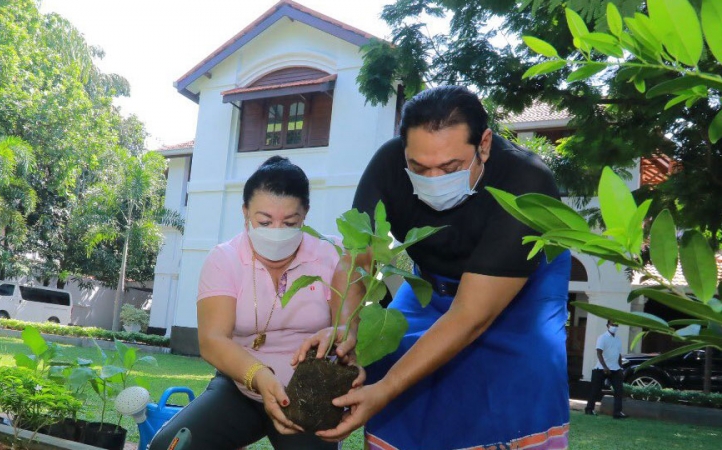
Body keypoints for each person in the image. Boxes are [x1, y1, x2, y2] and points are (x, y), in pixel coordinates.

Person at [314, 86, 572, 449]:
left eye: (450, 168)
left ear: (483, 144)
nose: (433, 180)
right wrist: (346, 326)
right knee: (394, 364)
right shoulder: (389, 163)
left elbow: (471, 315)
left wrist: (384, 390)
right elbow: (357, 257)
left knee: (515, 387)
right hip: (430, 285)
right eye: (419, 168)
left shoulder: (527, 182)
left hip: (520, 294)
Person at [148, 156, 361, 450]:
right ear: (245, 212)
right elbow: (212, 340)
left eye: (289, 222)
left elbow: (346, 325)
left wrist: (344, 339)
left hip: (308, 397)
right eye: (264, 221)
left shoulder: (333, 254)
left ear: (305, 215)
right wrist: (259, 377)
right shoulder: (224, 259)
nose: (276, 231)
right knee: (170, 446)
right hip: (241, 389)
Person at [585, 320, 627, 418]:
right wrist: (605, 367)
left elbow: (619, 354)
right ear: (607, 325)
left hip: (615, 369)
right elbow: (599, 352)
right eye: (613, 324)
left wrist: (620, 368)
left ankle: (617, 412)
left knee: (619, 390)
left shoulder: (618, 339)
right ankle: (589, 409)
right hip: (601, 369)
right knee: (595, 390)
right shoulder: (602, 337)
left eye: (616, 325)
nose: (615, 326)